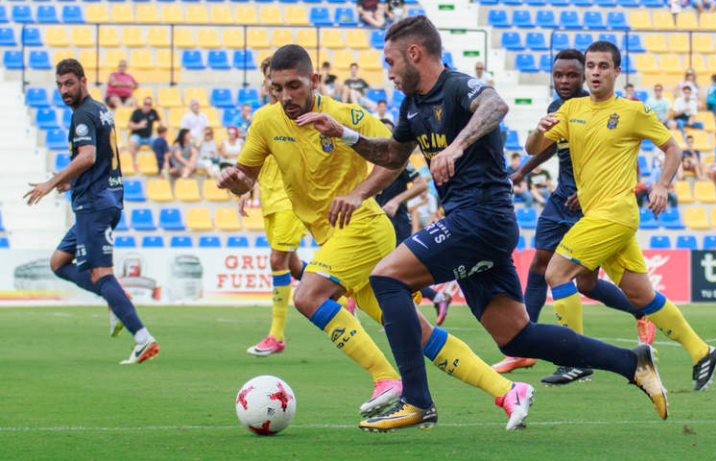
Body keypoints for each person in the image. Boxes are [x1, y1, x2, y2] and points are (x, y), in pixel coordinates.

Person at [304, 18, 670, 431]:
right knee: (515, 336)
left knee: (386, 278)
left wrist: (457, 147)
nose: (387, 72)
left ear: (414, 54)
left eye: (390, 61)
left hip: (482, 217)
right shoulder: (412, 106)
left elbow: (497, 106)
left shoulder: (458, 87)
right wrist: (347, 136)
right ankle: (632, 361)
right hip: (477, 226)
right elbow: (393, 155)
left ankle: (415, 400)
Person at [224, 45, 532, 430]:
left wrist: (359, 193)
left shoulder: (346, 116)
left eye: (294, 86)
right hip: (333, 240)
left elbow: (397, 156)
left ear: (314, 82)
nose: (286, 96)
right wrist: (236, 183)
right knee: (417, 333)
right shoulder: (266, 122)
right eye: (277, 88)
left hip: (364, 229)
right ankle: (507, 390)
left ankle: (386, 377)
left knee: (308, 295)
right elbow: (245, 176)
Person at [526, 40, 716, 396]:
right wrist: (539, 129)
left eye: (604, 66)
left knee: (555, 272)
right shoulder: (571, 109)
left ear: (617, 72)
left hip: (615, 214)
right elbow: (533, 148)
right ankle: (703, 352)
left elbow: (672, 148)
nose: (596, 72)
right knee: (639, 293)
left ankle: (575, 358)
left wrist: (662, 185)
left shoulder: (632, 111)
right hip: (599, 215)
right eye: (591, 66)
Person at [494, 49, 655, 381]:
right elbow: (551, 145)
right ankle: (524, 347)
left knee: (586, 283)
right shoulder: (559, 109)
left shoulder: (600, 108)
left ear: (585, 76)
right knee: (539, 265)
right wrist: (522, 172)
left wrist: (592, 193)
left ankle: (640, 309)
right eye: (558, 75)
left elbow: (626, 159)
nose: (564, 81)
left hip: (588, 204)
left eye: (571, 75)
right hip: (559, 199)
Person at [24, 59, 158, 364]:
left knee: (100, 273)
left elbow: (87, 155)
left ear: (83, 81)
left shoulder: (83, 115)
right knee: (59, 262)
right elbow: (100, 158)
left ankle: (142, 338)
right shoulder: (99, 109)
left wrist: (52, 181)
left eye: (69, 83)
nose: (64, 90)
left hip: (94, 205)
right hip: (103, 198)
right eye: (59, 85)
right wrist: (72, 181)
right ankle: (116, 299)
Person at [238, 55, 310, 358]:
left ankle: (276, 336)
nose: (273, 83)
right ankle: (340, 290)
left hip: (290, 199)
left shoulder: (297, 114)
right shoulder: (263, 117)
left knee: (277, 260)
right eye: (269, 77)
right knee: (292, 265)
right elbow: (257, 158)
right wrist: (245, 188)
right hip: (269, 197)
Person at [378, 118, 453, 326]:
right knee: (383, 272)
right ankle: (432, 299)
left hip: (397, 222)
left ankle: (408, 315)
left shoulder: (400, 161)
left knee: (395, 272)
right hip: (375, 224)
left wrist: (395, 201)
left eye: (388, 132)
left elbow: (420, 184)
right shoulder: (370, 161)